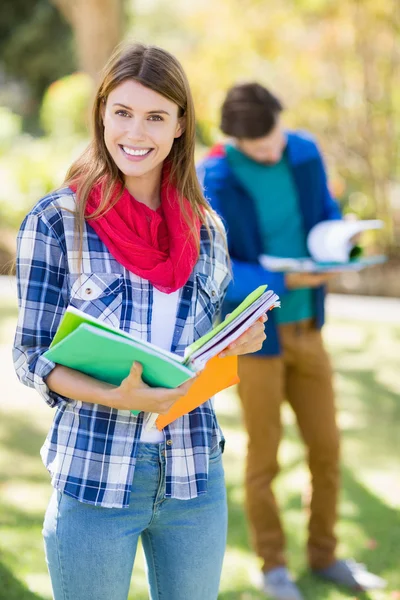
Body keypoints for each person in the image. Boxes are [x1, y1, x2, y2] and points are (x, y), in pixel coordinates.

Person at [12, 46, 268, 600]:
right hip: (94, 477)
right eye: (122, 112)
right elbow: (32, 358)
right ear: (102, 114)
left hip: (194, 476)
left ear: (180, 126)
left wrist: (236, 343)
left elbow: (198, 354)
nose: (136, 131)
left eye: (155, 116)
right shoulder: (58, 222)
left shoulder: (208, 230)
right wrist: (121, 397)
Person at [198, 82, 386, 600]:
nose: (272, 151)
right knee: (265, 457)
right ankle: (273, 566)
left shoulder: (302, 151)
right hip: (257, 338)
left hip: (308, 330)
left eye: (274, 138)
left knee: (326, 448)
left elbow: (324, 212)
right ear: (231, 141)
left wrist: (339, 244)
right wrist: (284, 282)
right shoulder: (215, 176)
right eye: (258, 148)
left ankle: (325, 557)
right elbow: (216, 265)